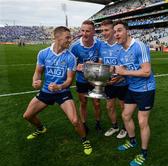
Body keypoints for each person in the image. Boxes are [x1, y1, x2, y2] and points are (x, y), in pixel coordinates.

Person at [23, 26, 92, 155]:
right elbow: (37, 73)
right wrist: (35, 81)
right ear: (56, 37)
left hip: (62, 92)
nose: (70, 40)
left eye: (70, 37)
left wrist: (59, 87)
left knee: (75, 120)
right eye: (67, 37)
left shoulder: (70, 57)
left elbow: (69, 80)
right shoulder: (43, 53)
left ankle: (85, 140)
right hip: (46, 92)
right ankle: (41, 128)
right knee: (27, 116)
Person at [113, 20, 156, 166]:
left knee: (142, 122)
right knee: (125, 115)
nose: (116, 34)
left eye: (119, 30)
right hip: (132, 88)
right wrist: (114, 78)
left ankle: (143, 152)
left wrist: (124, 72)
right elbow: (123, 72)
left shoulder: (139, 46)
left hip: (145, 89)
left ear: (127, 31)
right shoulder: (120, 52)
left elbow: (146, 71)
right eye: (115, 32)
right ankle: (132, 141)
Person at [70, 20, 102, 133]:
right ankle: (83, 123)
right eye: (82, 30)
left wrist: (90, 66)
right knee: (83, 103)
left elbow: (102, 62)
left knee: (97, 103)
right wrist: (76, 66)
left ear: (93, 31)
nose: (84, 33)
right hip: (81, 79)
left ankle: (98, 122)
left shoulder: (99, 44)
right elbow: (71, 64)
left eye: (88, 31)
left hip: (95, 80)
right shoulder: (75, 47)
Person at [99, 19, 128, 139]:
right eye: (102, 30)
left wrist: (120, 78)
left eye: (106, 30)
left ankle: (125, 128)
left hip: (123, 83)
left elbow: (128, 66)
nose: (104, 33)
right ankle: (115, 126)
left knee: (123, 107)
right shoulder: (102, 45)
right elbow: (102, 64)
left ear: (113, 30)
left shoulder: (122, 44)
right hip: (109, 83)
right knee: (109, 107)